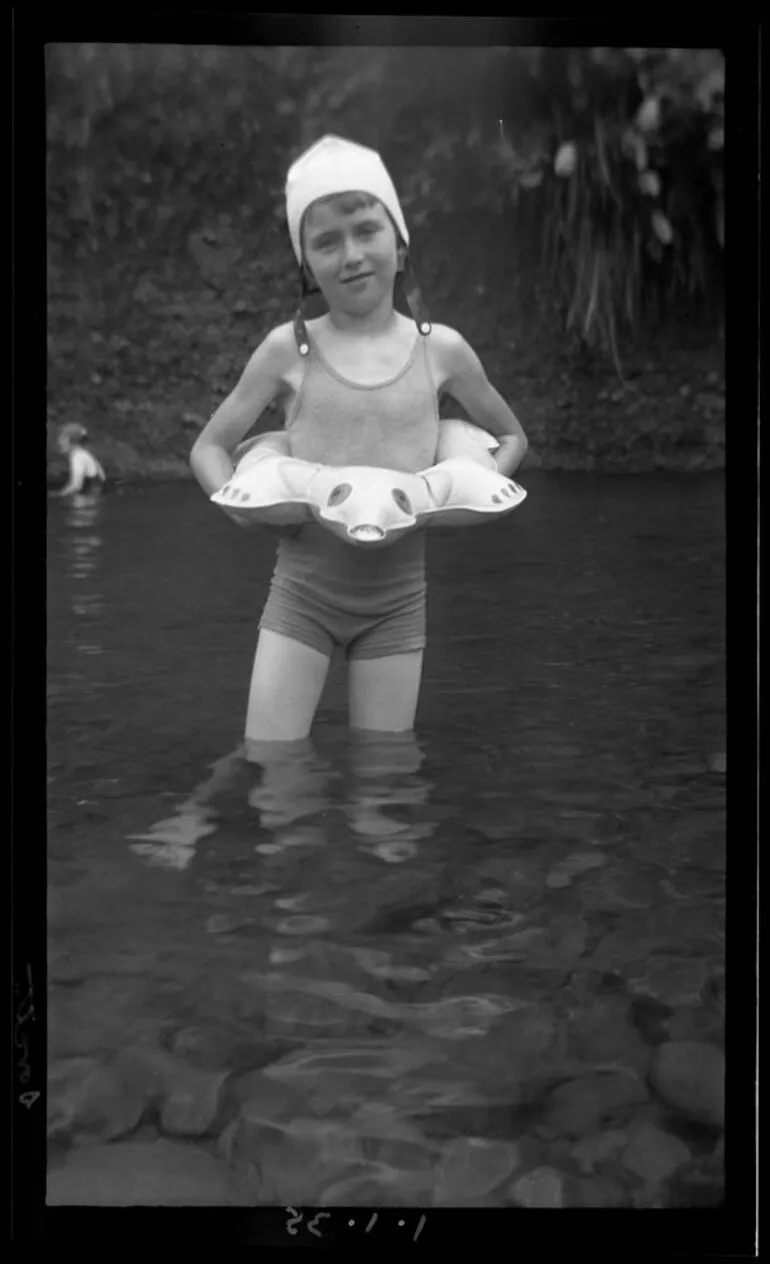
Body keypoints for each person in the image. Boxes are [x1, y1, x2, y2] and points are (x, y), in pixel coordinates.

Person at [190, 134, 528, 743]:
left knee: (385, 787)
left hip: (398, 605)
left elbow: (511, 436)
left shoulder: (441, 350)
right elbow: (209, 448)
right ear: (307, 267)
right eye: (326, 242)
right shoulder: (286, 351)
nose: (351, 255)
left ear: (399, 246)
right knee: (274, 768)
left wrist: (460, 492)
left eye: (367, 230)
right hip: (301, 598)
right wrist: (238, 511)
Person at [50, 423, 106, 497]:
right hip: (92, 498)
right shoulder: (83, 453)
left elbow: (76, 486)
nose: (59, 442)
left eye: (62, 438)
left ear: (70, 440)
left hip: (87, 500)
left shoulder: (78, 456)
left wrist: (57, 495)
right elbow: (102, 478)